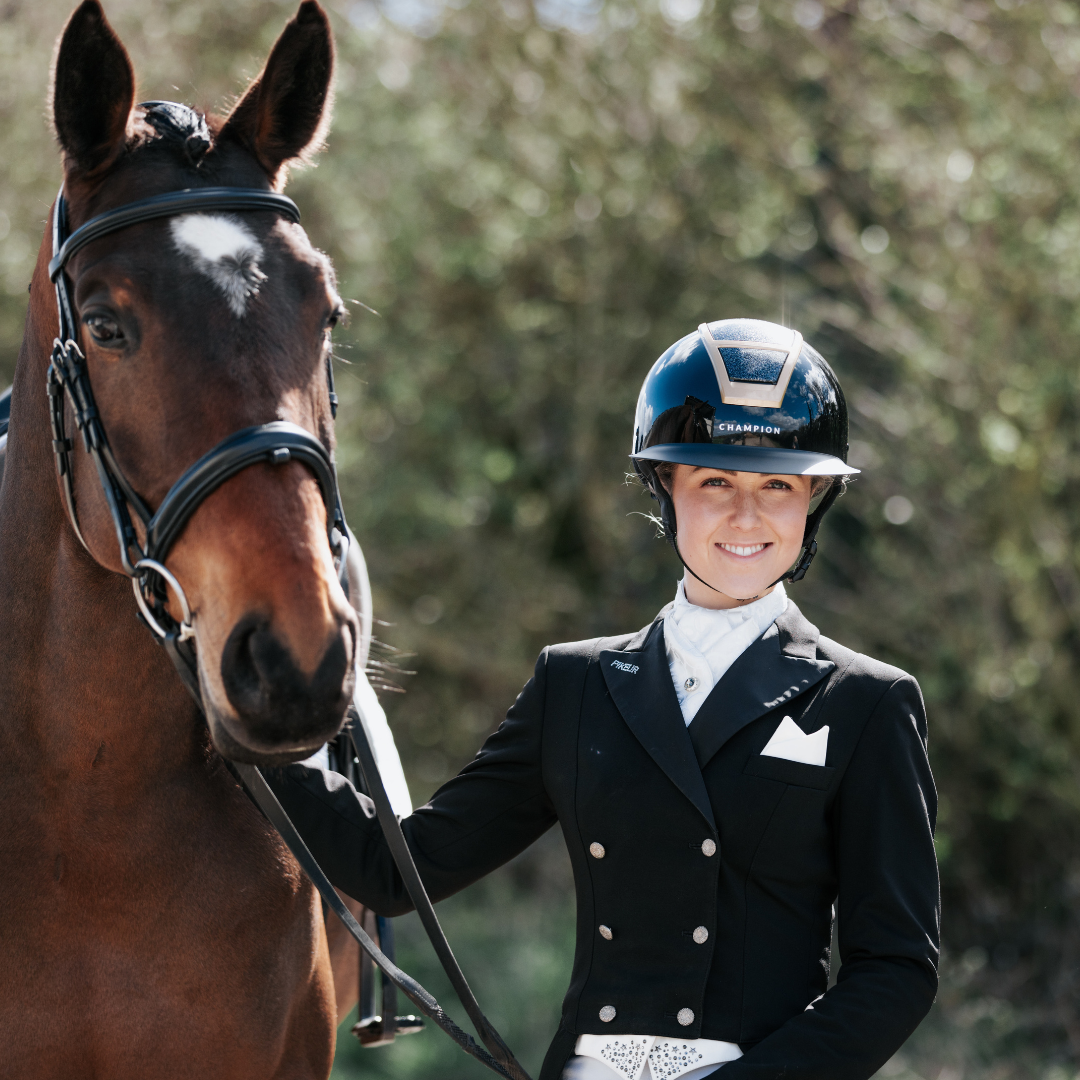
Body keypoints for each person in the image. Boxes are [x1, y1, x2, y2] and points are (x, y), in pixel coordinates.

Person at [266, 318, 940, 1080]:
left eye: (777, 486)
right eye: (714, 482)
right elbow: (402, 873)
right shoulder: (574, 684)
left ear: (812, 499)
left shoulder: (868, 703)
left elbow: (897, 969)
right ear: (665, 487)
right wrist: (247, 732)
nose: (746, 516)